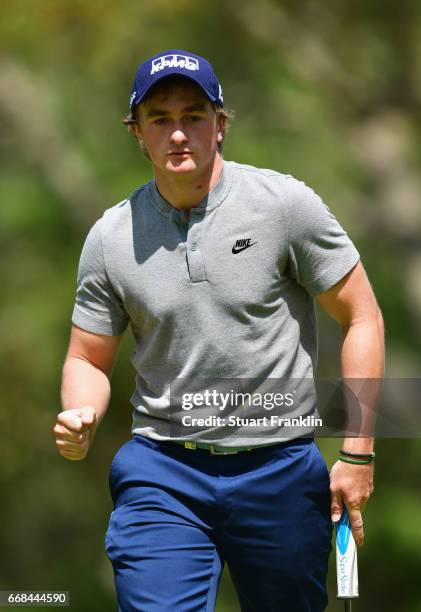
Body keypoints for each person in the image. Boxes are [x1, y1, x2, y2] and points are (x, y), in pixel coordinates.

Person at [53, 50, 384, 611]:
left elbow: (363, 317)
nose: (178, 134)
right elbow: (87, 359)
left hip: (279, 466)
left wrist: (358, 455)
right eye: (160, 119)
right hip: (164, 471)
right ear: (137, 133)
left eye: (194, 116)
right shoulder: (110, 237)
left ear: (221, 124)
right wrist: (80, 412)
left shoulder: (285, 206)